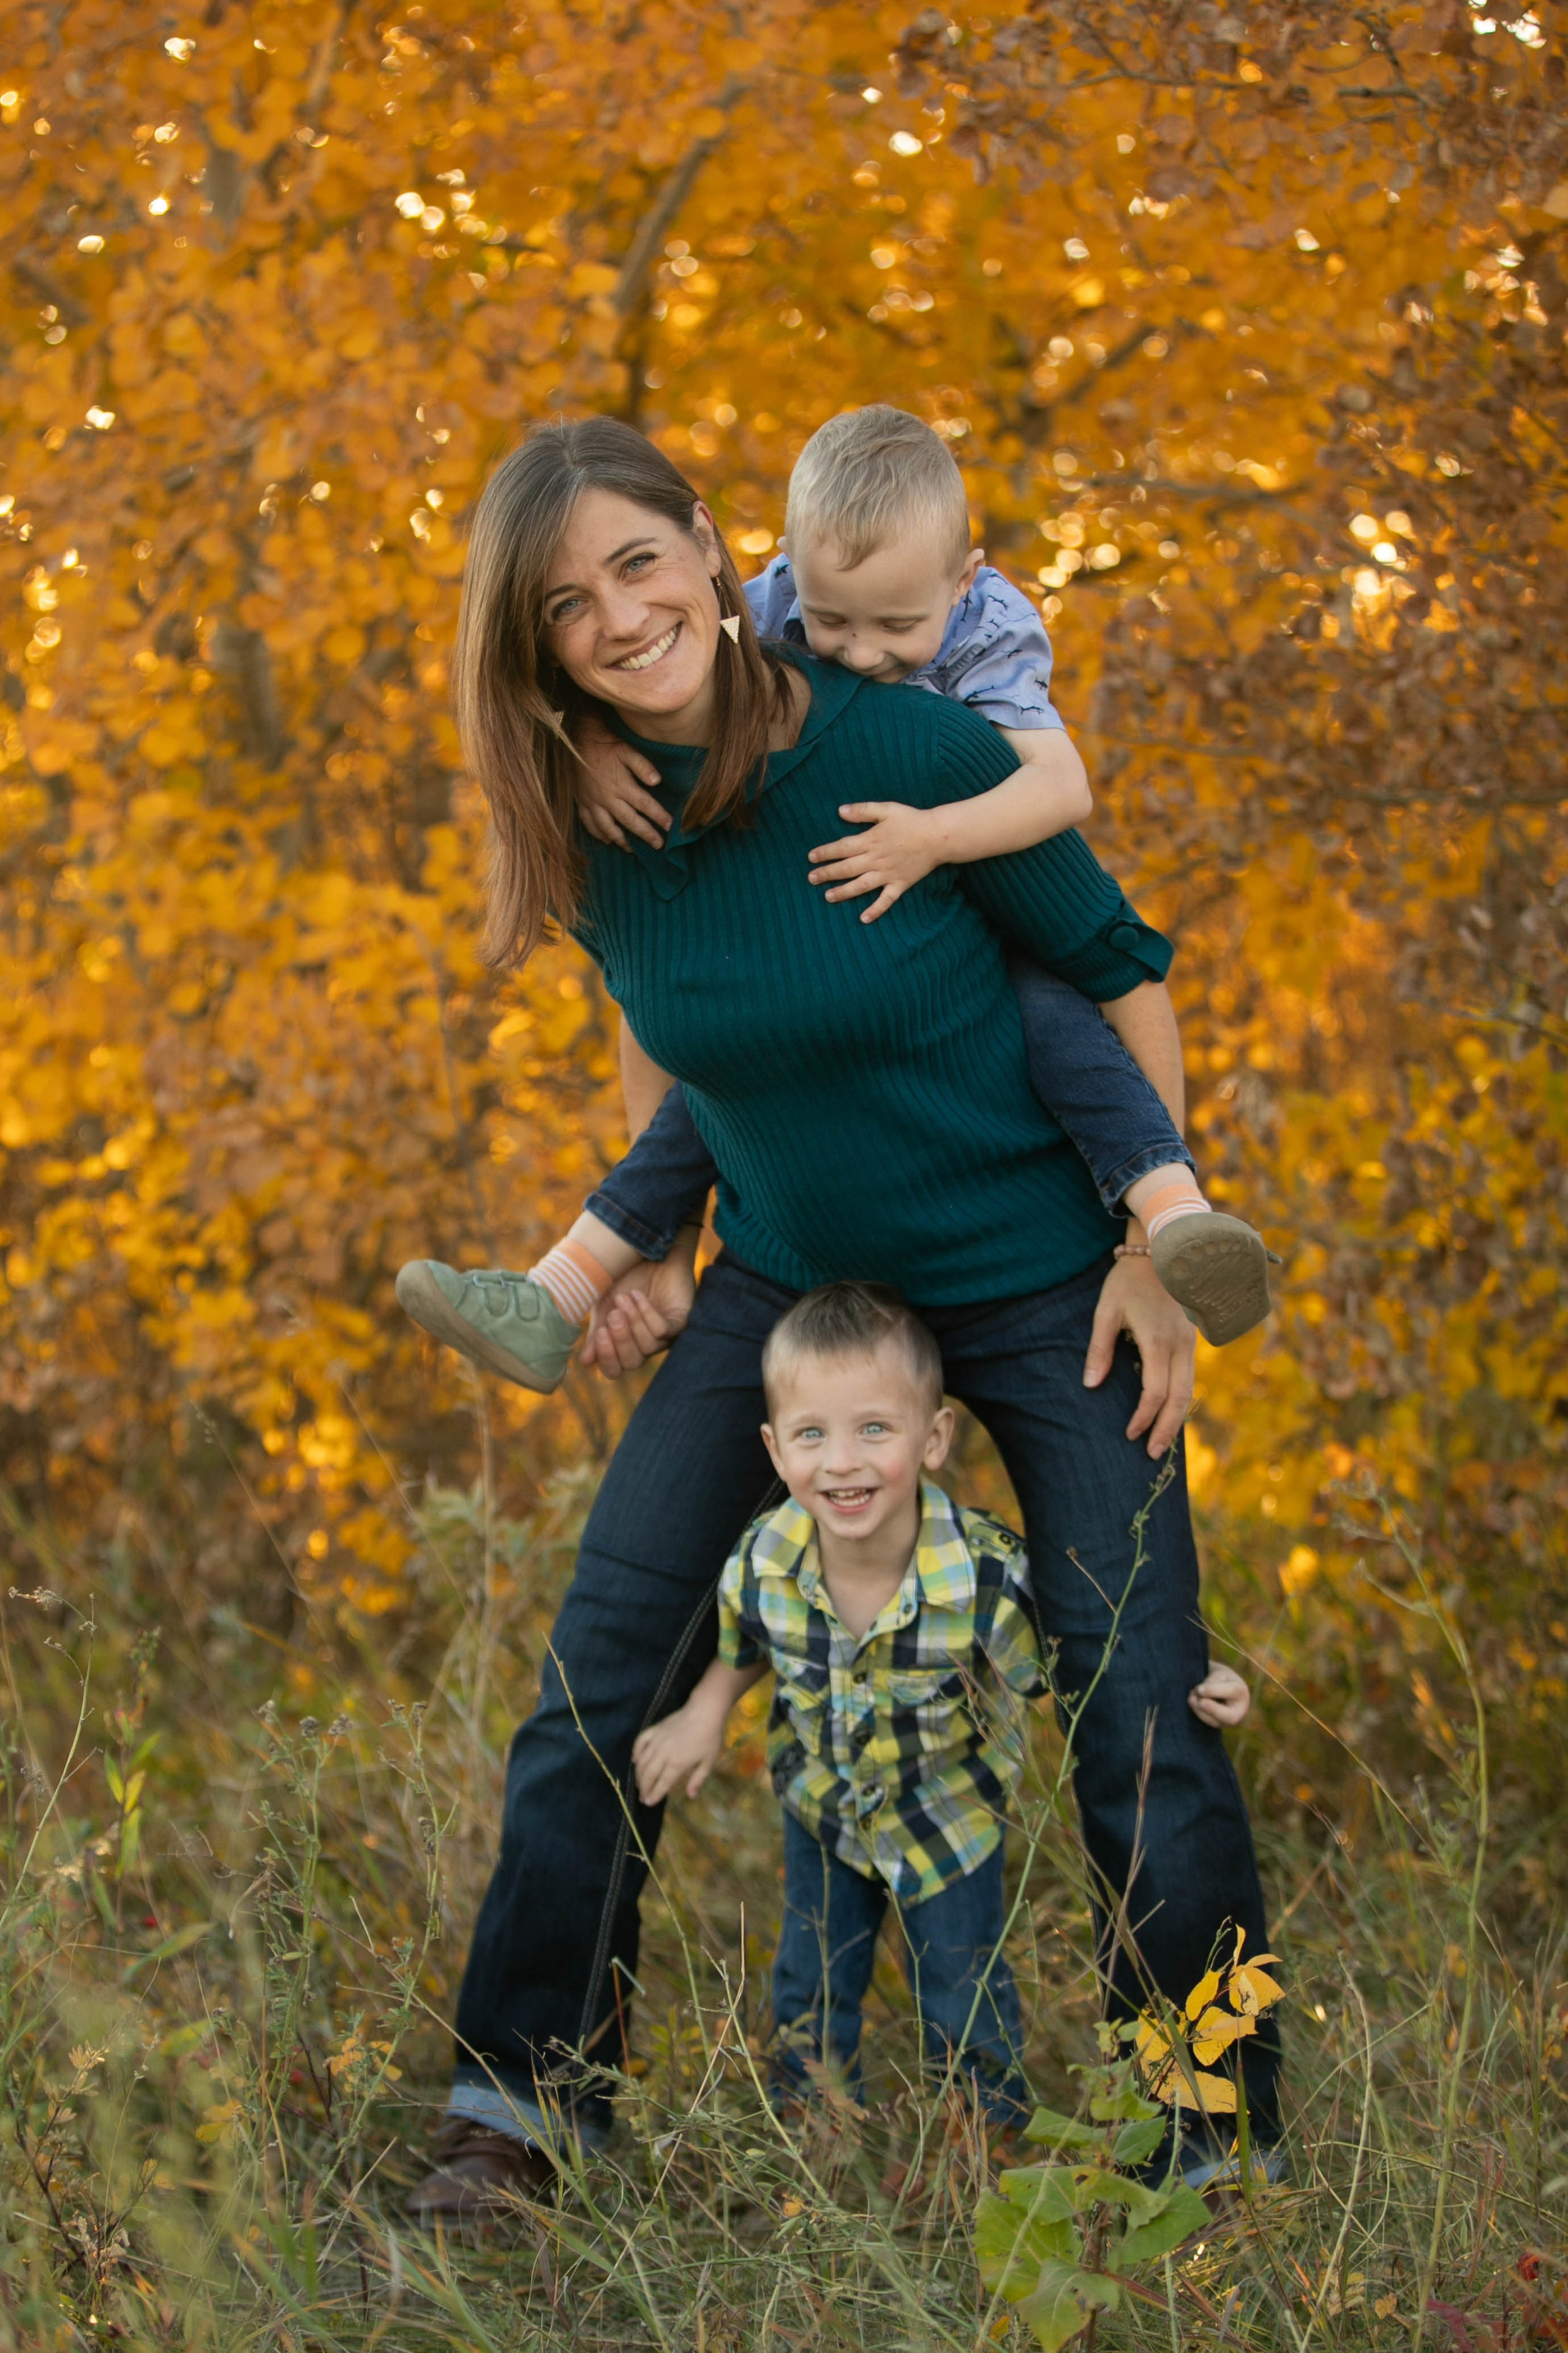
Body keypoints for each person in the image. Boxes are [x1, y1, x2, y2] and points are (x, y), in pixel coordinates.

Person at [402, 415, 1282, 2221]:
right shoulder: (601, 818)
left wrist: (1145, 1232)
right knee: (599, 1677)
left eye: (640, 564)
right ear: (539, 646)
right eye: (567, 606)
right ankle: (517, 2115)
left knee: (1133, 1702)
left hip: (1045, 1276)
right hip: (790, 1288)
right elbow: (669, 1021)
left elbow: (1116, 973)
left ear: (713, 551)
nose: (619, 617)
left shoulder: (919, 747)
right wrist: (652, 1239)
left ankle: (1205, 2127)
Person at [395, 409, 1272, 1397]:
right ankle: (555, 1291)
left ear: (963, 581)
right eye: (833, 624)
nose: (855, 654)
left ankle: (1174, 1215)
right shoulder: (764, 620)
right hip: (793, 1218)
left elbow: (1064, 789)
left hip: (984, 912)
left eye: (897, 628)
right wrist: (590, 737)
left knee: (1054, 1019)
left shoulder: (989, 641)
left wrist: (929, 835)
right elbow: (654, 1005)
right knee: (726, 1058)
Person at [630, 1281, 1250, 2131]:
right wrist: (705, 1711)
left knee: (963, 1986)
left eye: (874, 1428)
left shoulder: (983, 1577)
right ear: (775, 1451)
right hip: (824, 1809)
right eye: (812, 1434)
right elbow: (745, 1639)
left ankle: (979, 2137)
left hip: (949, 1821)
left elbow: (1079, 1667)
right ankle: (810, 2138)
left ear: (934, 1437)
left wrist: (1197, 1678)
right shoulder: (767, 1556)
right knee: (809, 1981)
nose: (841, 1461)